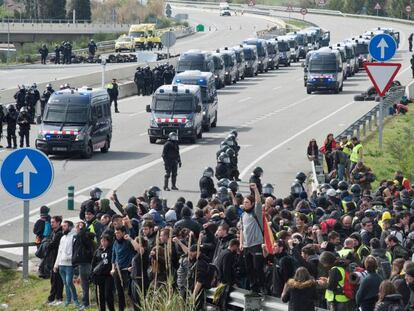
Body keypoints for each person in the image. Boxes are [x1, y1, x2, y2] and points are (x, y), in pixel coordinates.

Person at [240, 183, 264, 295]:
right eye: (244, 202)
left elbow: (259, 202)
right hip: (246, 246)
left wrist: (255, 190)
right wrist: (241, 243)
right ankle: (253, 289)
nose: (244, 204)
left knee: (258, 268)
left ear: (252, 204)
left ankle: (262, 288)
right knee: (249, 269)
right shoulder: (242, 215)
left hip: (256, 244)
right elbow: (241, 230)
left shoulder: (256, 212)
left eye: (247, 202)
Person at [53, 220, 81, 308]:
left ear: (69, 227)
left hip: (69, 264)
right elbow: (59, 251)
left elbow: (76, 250)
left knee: (69, 282)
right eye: (63, 226)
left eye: (65, 226)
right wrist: (56, 264)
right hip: (61, 264)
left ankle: (75, 300)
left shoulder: (74, 236)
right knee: (65, 283)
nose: (63, 227)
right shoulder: (62, 238)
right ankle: (68, 300)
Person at [111, 225, 136, 311]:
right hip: (118, 270)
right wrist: (113, 268)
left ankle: (133, 308)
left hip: (128, 270)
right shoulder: (115, 243)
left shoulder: (128, 242)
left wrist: (132, 266)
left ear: (123, 233)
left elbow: (135, 252)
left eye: (118, 233)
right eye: (115, 233)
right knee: (119, 292)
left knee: (130, 293)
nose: (116, 234)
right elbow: (113, 256)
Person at [72, 221, 95, 309]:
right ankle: (86, 303)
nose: (76, 229)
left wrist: (82, 228)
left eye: (77, 227)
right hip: (82, 263)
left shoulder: (85, 236)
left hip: (86, 263)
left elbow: (82, 238)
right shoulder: (79, 236)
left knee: (85, 283)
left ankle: (86, 303)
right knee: (84, 285)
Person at [91, 233, 115, 311]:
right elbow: (93, 263)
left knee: (108, 295)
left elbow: (113, 261)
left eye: (105, 241)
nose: (103, 242)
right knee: (100, 296)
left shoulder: (111, 250)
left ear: (108, 241)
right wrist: (92, 273)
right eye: (102, 241)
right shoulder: (97, 251)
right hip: (99, 276)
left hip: (108, 276)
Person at [44, 216, 64, 306]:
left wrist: (47, 243)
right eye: (51, 222)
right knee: (54, 279)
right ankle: (56, 297)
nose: (51, 224)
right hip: (53, 259)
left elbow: (52, 244)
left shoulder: (59, 233)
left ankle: (54, 298)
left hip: (58, 259)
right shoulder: (54, 232)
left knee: (56, 279)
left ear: (58, 223)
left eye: (53, 222)